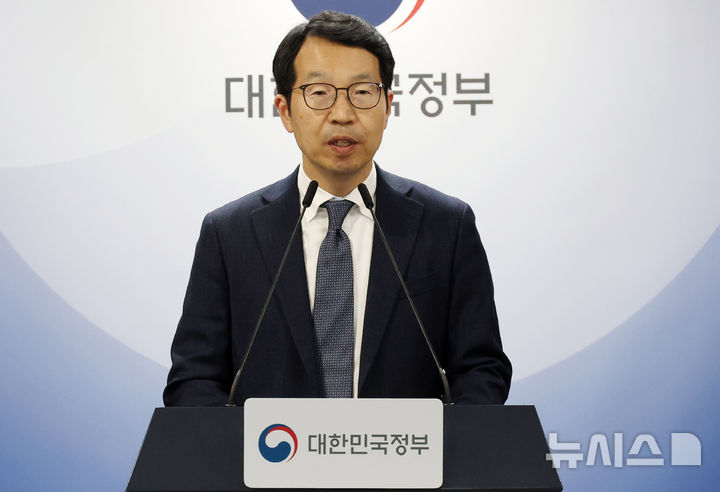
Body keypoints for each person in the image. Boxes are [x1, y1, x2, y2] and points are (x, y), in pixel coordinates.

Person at [163, 10, 511, 406]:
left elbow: (481, 369)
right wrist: (242, 444)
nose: (343, 115)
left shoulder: (446, 226)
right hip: (271, 447)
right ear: (284, 110)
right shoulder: (229, 234)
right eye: (319, 93)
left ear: (388, 107)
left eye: (362, 92)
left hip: (405, 447)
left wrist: (443, 441)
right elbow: (194, 379)